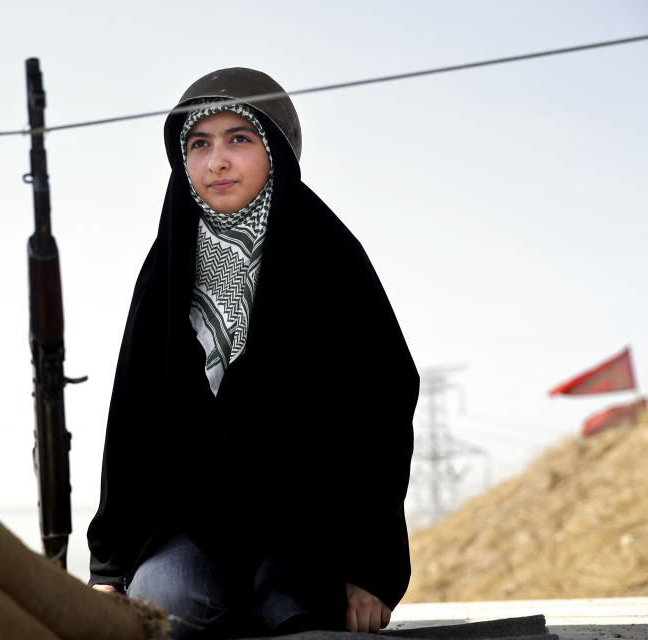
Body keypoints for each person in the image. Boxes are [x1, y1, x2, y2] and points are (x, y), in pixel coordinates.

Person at [87, 67, 419, 638]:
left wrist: (370, 570)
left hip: (309, 535)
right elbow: (133, 420)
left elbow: (381, 415)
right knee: (159, 607)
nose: (216, 161)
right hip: (192, 532)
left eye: (238, 139)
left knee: (294, 612)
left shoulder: (330, 258)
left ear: (277, 152)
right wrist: (110, 570)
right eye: (199, 143)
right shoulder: (166, 267)